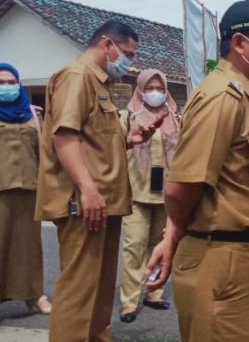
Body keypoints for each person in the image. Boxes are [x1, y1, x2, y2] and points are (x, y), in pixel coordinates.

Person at [145, 0, 249, 342]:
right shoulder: (222, 98)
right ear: (239, 44)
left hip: (242, 255)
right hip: (219, 258)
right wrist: (174, 235)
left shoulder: (245, 96)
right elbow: (181, 188)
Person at [35, 20, 162, 342]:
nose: (129, 61)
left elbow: (95, 140)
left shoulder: (98, 81)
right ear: (108, 45)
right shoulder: (77, 76)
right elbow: (64, 137)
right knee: (79, 292)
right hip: (84, 204)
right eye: (128, 54)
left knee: (101, 291)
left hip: (104, 203)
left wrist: (130, 138)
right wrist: (88, 189)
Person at [118, 69, 180, 323]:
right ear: (140, 89)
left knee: (159, 245)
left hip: (165, 193)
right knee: (134, 245)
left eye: (160, 88)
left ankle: (153, 293)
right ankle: (129, 302)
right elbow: (116, 149)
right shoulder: (127, 116)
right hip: (136, 192)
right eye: (150, 87)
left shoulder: (176, 118)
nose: (155, 92)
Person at [0, 62, 51, 315]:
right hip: (1, 188)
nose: (7, 87)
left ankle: (34, 294)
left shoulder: (33, 113)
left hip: (29, 188)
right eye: (1, 83)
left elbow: (42, 152)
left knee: (29, 246)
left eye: (11, 82)